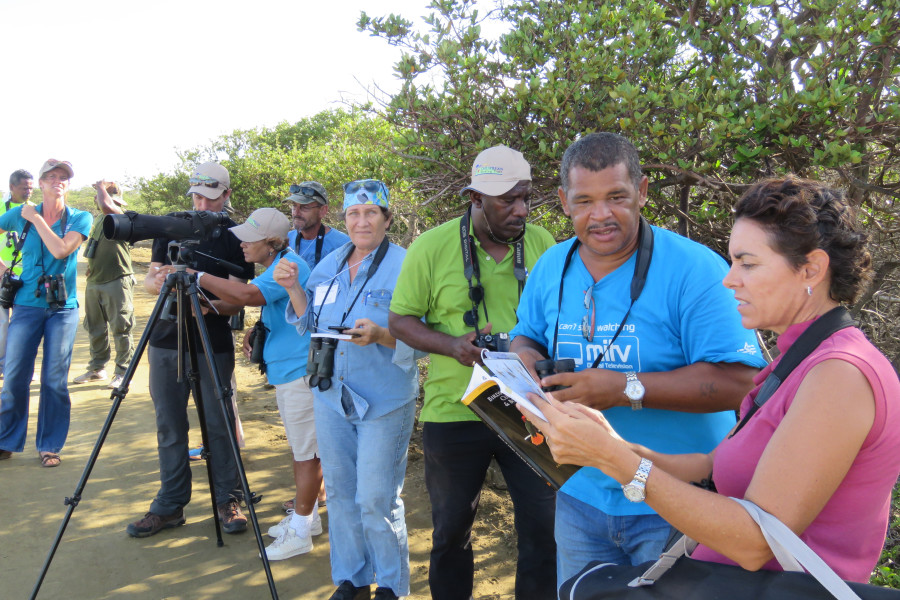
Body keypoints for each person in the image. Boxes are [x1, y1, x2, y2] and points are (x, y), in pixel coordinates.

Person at [521, 175, 900, 584]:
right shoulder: (800, 360)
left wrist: (617, 460)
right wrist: (609, 445)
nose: (730, 278)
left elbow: (758, 542)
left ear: (811, 269)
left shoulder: (839, 375)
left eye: (748, 263)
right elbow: (712, 468)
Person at [509, 132, 766, 585]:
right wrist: (526, 365)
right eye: (584, 200)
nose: (601, 214)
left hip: (678, 499)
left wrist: (624, 387)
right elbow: (525, 336)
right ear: (563, 201)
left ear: (643, 192)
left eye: (617, 197)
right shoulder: (552, 266)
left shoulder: (695, 269)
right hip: (580, 492)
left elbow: (741, 382)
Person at [389, 146, 558, 600]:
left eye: (526, 198)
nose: (521, 210)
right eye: (508, 200)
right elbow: (400, 320)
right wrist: (452, 347)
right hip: (454, 409)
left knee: (545, 530)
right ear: (475, 197)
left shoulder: (544, 244)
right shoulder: (432, 246)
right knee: (450, 532)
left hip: (530, 409)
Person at [277, 179, 418, 600]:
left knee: (376, 497)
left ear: (387, 218)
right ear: (344, 218)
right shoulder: (330, 264)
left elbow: (425, 337)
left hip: (383, 399)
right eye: (354, 214)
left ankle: (391, 585)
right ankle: (352, 578)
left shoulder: (406, 265)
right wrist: (293, 289)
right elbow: (311, 325)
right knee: (339, 493)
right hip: (331, 396)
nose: (361, 221)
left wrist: (382, 334)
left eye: (371, 212)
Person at [127, 161, 254, 538]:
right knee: (169, 424)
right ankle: (170, 504)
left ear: (227, 195)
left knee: (219, 423)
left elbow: (238, 299)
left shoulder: (236, 235)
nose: (201, 205)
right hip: (165, 339)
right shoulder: (170, 225)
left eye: (210, 197)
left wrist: (205, 302)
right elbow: (150, 281)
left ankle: (227, 498)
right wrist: (161, 281)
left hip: (211, 341)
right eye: (196, 196)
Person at [189, 207, 324, 561]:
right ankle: (305, 519)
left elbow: (247, 296)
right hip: (289, 371)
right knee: (302, 451)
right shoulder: (278, 265)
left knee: (306, 455)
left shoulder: (287, 267)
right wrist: (210, 306)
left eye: (250, 239)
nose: (243, 245)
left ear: (271, 242)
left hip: (299, 372)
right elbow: (263, 304)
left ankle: (302, 526)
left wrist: (196, 276)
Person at [0, 159, 92, 466]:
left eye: (63, 177)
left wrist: (35, 218)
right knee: (14, 376)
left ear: (68, 184)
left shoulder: (80, 218)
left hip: (62, 309)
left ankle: (49, 445)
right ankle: (6, 440)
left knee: (54, 380)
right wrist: (4, 271)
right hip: (26, 305)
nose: (57, 180)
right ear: (40, 183)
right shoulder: (17, 215)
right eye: (51, 176)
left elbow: (61, 250)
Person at [72, 181, 134, 389]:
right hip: (95, 281)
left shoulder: (121, 217)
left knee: (121, 328)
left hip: (117, 280)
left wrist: (100, 187)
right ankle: (97, 368)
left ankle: (123, 372)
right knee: (95, 327)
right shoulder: (99, 219)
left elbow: (108, 207)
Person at [0, 169, 34, 379]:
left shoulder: (34, 211)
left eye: (31, 188)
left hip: (27, 276)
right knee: (2, 323)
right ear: (12, 187)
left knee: (24, 323)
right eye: (24, 188)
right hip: (2, 273)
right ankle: (4, 365)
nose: (28, 192)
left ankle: (23, 367)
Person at [286, 181, 350, 271]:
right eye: (294, 206)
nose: (296, 213)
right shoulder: (286, 240)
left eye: (305, 207)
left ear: (323, 211)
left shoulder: (342, 245)